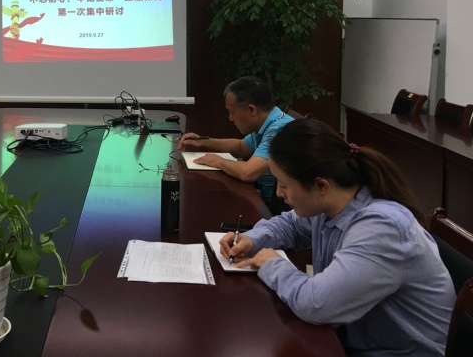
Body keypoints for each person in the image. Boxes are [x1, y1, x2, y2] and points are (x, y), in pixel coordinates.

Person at [221, 118, 455, 357]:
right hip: (353, 340)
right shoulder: (332, 203)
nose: (279, 193)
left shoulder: (381, 228)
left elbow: (316, 304)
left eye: (284, 185)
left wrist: (272, 264)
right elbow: (290, 224)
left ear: (321, 186)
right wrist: (253, 239)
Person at [177, 76, 293, 208]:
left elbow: (248, 172)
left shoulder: (278, 130)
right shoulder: (268, 123)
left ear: (251, 110)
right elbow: (241, 147)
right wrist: (203, 141)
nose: (230, 118)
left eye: (231, 112)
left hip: (278, 211)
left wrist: (218, 161)